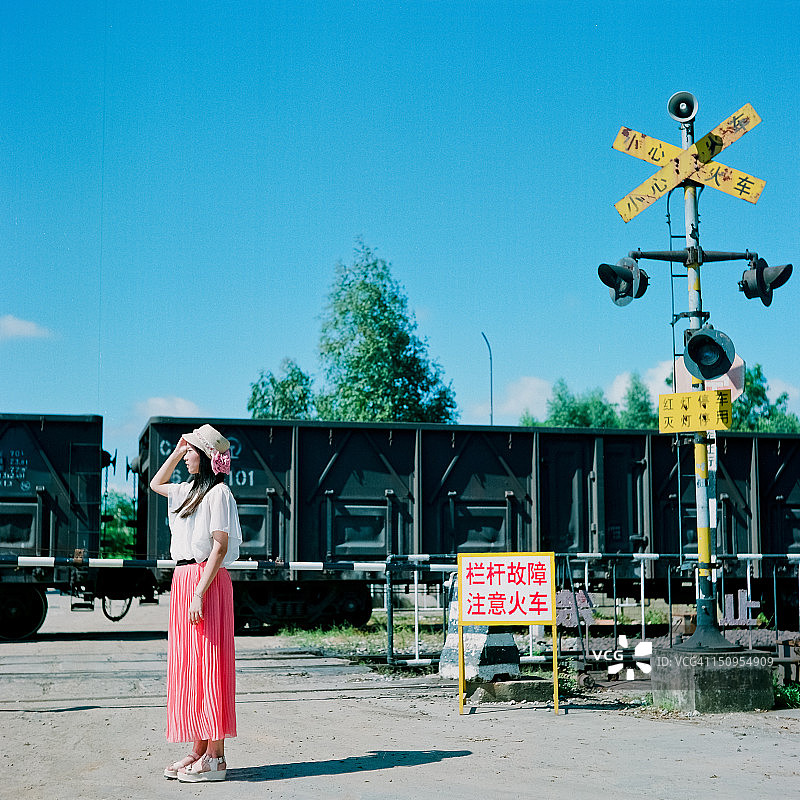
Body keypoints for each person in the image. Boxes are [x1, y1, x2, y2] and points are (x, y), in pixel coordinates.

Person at [149, 424, 242, 783]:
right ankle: (198, 749)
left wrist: (200, 592)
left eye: (190, 451)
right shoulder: (188, 491)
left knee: (211, 666)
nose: (186, 455)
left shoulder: (219, 493)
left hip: (206, 580)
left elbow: (219, 546)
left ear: (204, 456)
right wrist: (175, 452)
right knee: (191, 669)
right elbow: (156, 483)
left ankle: (216, 757)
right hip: (185, 578)